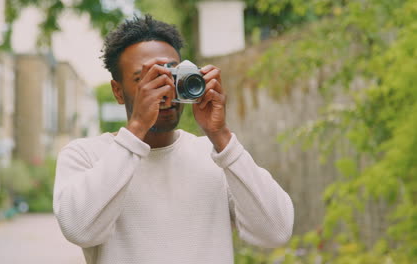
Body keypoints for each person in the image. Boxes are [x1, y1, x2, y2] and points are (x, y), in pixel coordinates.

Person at [53, 15, 294, 264]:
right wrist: (136, 129)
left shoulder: (214, 155)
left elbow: (276, 231)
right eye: (145, 80)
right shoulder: (85, 155)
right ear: (118, 91)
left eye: (172, 75)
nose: (165, 90)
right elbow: (79, 229)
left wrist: (220, 135)